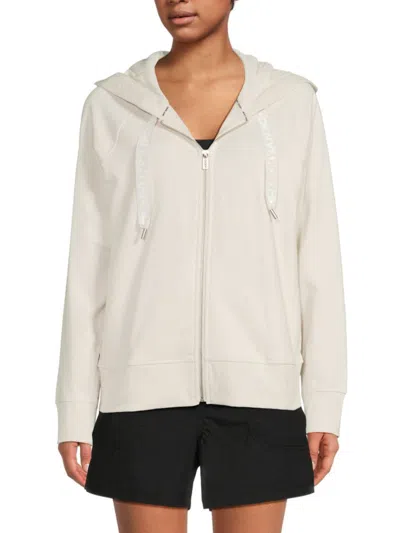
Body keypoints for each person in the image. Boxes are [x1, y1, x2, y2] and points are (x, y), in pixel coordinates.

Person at [56, 0, 348, 531]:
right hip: (138, 391)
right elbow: (88, 267)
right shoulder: (111, 106)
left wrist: (325, 398)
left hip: (261, 390)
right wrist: (75, 405)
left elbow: (318, 262)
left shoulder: (291, 103)